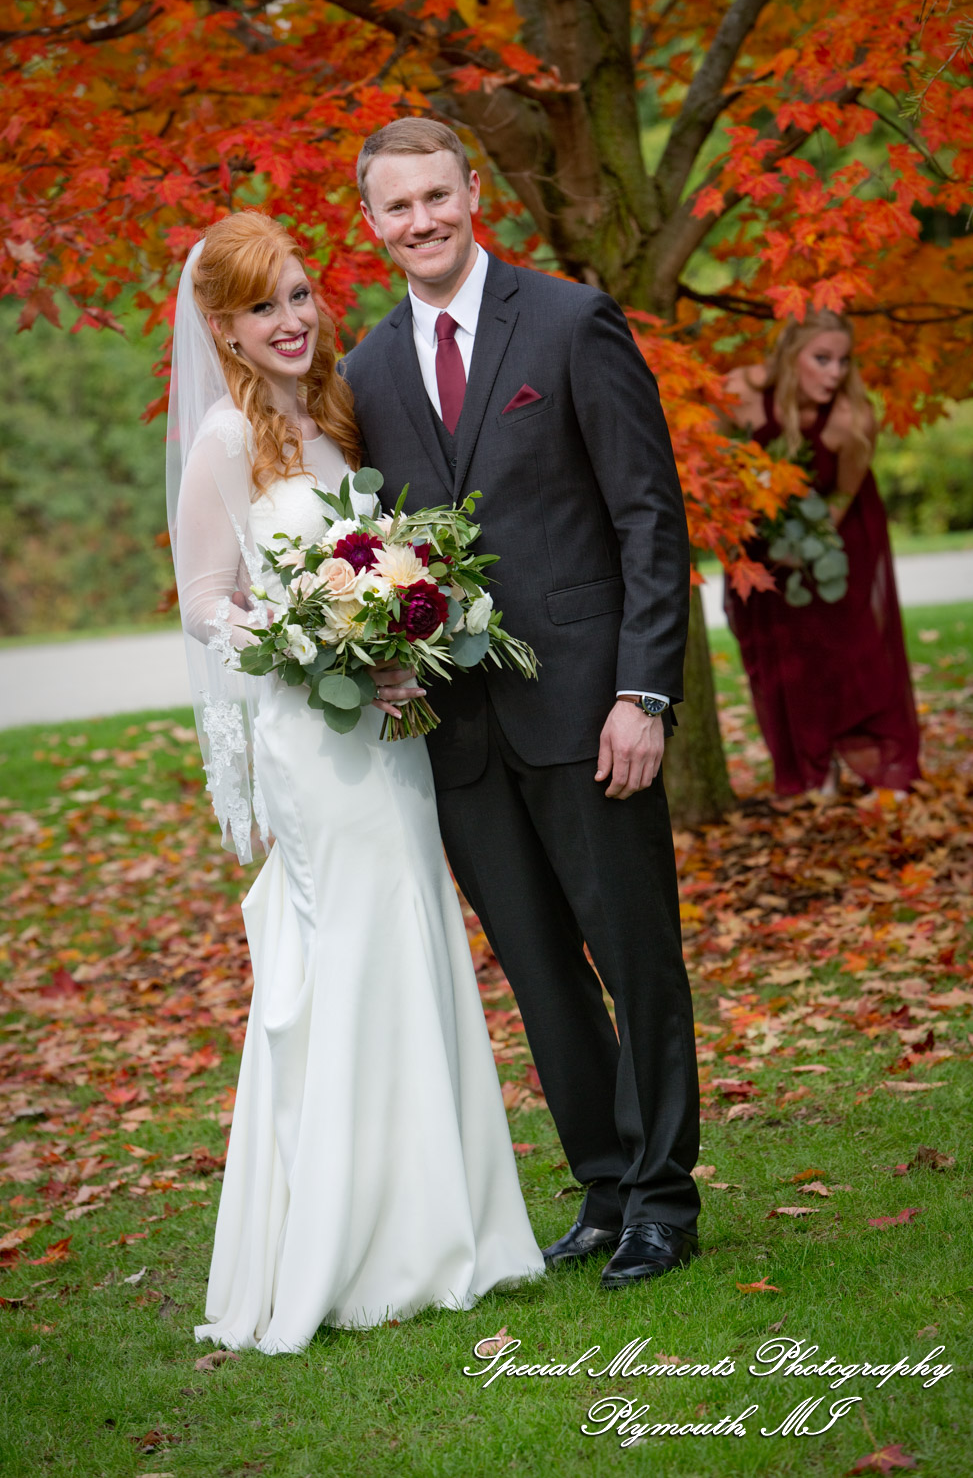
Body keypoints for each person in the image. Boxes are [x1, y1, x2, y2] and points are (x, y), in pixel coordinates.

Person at [166, 211, 543, 1354]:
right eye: (264, 306)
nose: (291, 320)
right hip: (311, 743)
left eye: (299, 295)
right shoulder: (226, 442)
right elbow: (200, 602)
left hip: (389, 738)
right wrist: (312, 645)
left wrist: (394, 632)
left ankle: (443, 1224)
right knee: (345, 957)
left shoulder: (332, 416)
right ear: (223, 328)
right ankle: (345, 1241)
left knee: (411, 938)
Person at [344, 118, 700, 1288]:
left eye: (435, 196)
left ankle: (663, 1198)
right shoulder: (366, 371)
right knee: (542, 974)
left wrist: (644, 693)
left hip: (594, 710)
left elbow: (650, 517)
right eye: (396, 208)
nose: (421, 222)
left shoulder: (568, 321)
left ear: (470, 193)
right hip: (461, 733)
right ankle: (602, 1182)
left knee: (632, 952)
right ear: (372, 223)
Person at [724, 309, 921, 797]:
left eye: (844, 361)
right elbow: (709, 464)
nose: (836, 373)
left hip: (838, 540)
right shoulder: (738, 393)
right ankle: (813, 771)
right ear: (791, 354)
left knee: (850, 650)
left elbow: (842, 498)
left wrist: (804, 545)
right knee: (784, 656)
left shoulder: (853, 421)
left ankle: (880, 764)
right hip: (759, 546)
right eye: (823, 358)